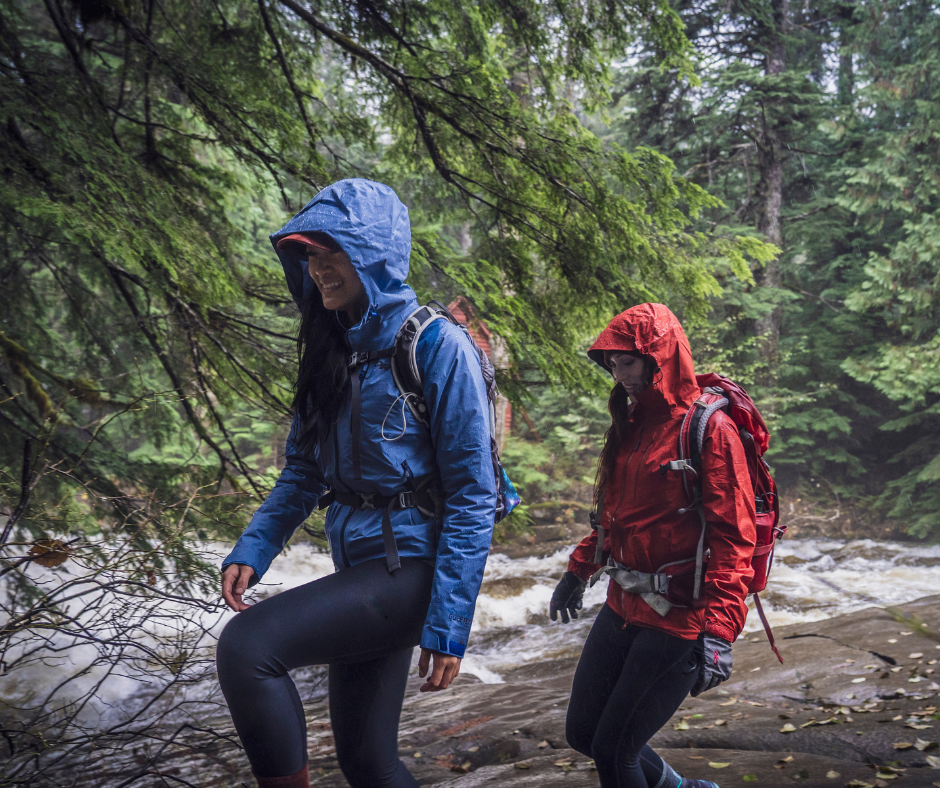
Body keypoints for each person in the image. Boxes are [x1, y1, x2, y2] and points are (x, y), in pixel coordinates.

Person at [216, 179, 497, 788]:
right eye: (309, 257)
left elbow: (474, 495)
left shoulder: (435, 345)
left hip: (415, 571)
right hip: (363, 569)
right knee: (368, 764)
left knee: (247, 649)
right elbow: (304, 471)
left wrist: (449, 626)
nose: (318, 270)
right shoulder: (332, 349)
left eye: (331, 253)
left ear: (373, 254)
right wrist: (254, 549)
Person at [549, 303, 756, 788]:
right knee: (583, 734)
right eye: (613, 364)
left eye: (629, 362)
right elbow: (613, 518)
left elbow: (735, 537)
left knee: (614, 751)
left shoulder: (709, 430)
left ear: (659, 357)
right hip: (623, 603)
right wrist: (578, 571)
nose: (619, 375)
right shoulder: (632, 421)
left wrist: (721, 631)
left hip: (682, 616)